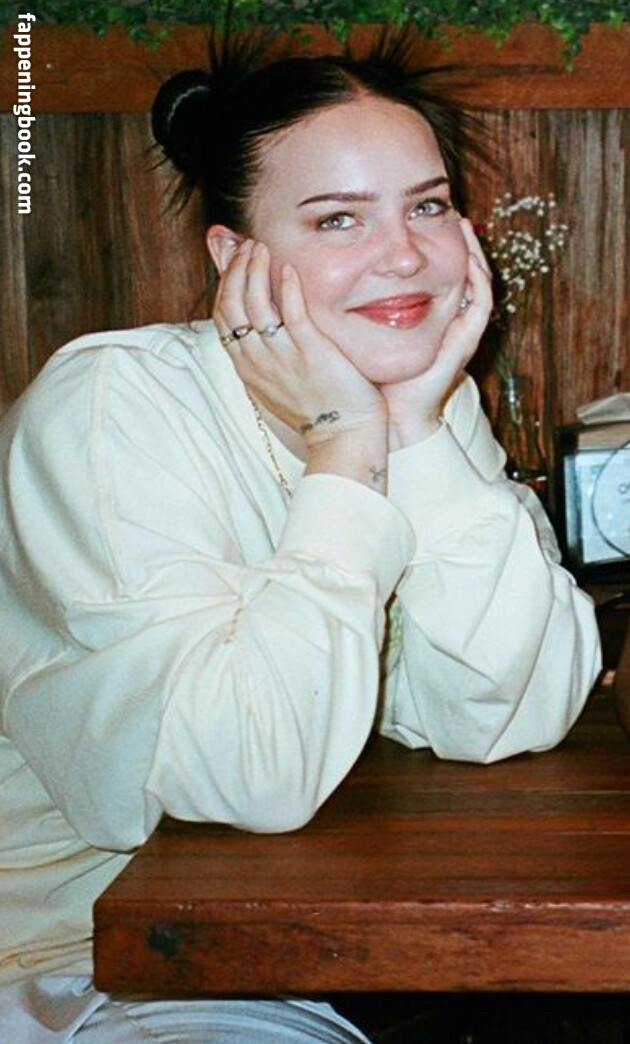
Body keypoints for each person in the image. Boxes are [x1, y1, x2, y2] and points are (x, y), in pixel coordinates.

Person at [0, 31, 601, 1043]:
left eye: (428, 205)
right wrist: (343, 446)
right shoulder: (111, 407)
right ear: (233, 257)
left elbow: (508, 714)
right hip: (71, 969)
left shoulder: (414, 398)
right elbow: (247, 778)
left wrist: (415, 431)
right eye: (337, 219)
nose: (404, 254)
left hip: (299, 949)